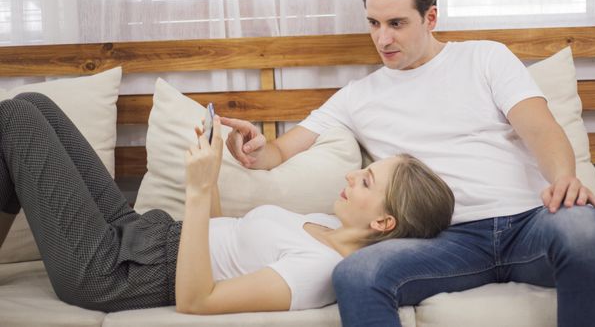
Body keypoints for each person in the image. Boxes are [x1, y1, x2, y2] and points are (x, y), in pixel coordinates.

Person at [221, 0, 595, 326]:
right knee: (356, 273)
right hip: (445, 242)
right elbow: (279, 151)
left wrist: (565, 177)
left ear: (430, 17)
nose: (382, 38)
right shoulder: (357, 96)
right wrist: (256, 148)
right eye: (373, 23)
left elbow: (542, 129)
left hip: (530, 222)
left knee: (585, 227)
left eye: (396, 23)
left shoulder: (485, 58)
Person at [0, 91, 454, 314]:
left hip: (111, 272)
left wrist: (195, 192)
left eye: (367, 179)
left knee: (15, 119)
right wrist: (212, 176)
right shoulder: (322, 222)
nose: (353, 174)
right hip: (138, 232)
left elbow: (197, 298)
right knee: (35, 104)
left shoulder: (317, 271)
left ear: (383, 221)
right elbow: (222, 245)